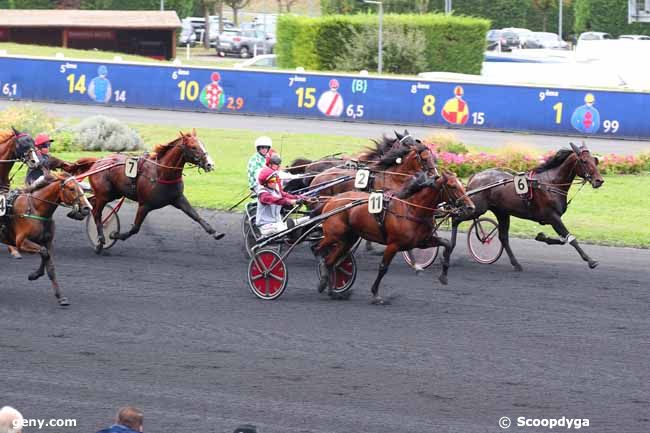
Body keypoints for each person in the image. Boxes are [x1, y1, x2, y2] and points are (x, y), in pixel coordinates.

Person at [255, 155, 309, 237]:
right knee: (291, 227)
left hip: (277, 222)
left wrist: (302, 198)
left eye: (276, 180)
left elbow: (285, 195)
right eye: (273, 180)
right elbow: (278, 200)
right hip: (267, 226)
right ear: (265, 182)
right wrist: (292, 202)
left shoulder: (275, 190)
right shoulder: (263, 194)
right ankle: (293, 234)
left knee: (306, 220)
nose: (276, 182)